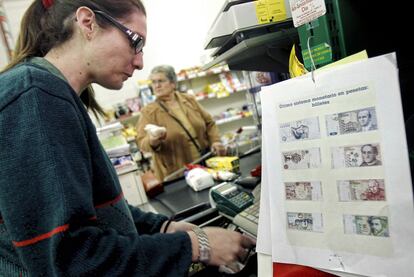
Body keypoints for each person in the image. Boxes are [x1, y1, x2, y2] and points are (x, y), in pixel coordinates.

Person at [0, 1, 254, 276]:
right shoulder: (35, 96)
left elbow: (96, 211)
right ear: (87, 23)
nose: (140, 61)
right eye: (135, 41)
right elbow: (72, 259)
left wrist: (162, 227)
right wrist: (195, 245)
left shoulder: (53, 94)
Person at [136, 65, 226, 181]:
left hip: (206, 162)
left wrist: (216, 141)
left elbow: (209, 123)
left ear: (173, 83)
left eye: (161, 81)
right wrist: (153, 140)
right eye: (153, 82)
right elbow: (141, 141)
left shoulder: (189, 100)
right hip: (177, 172)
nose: (157, 86)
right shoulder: (148, 111)